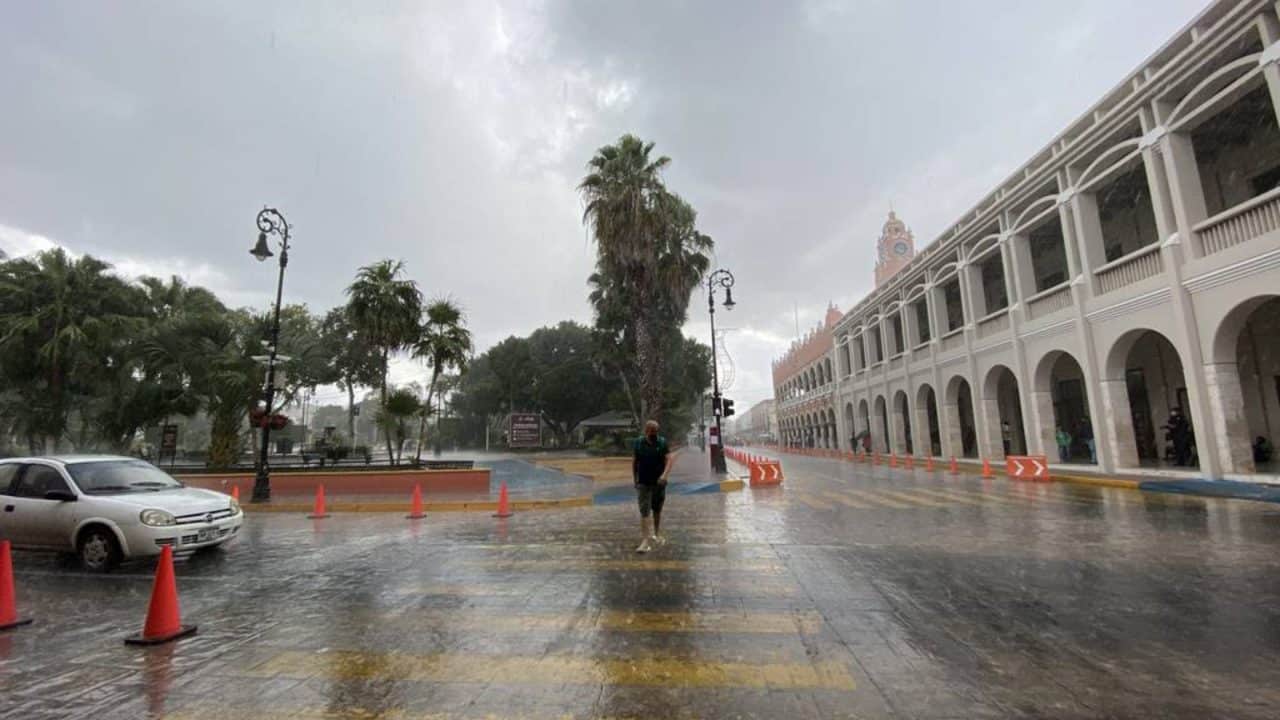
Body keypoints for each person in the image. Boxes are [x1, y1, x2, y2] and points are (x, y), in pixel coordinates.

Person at [633, 420, 675, 554]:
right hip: (643, 482)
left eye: (656, 431)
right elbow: (635, 462)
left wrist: (665, 476)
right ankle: (645, 541)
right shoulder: (639, 443)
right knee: (644, 510)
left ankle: (656, 534)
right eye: (651, 431)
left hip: (659, 482)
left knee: (657, 509)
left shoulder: (662, 443)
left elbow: (669, 460)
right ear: (646, 431)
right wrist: (635, 480)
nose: (653, 434)